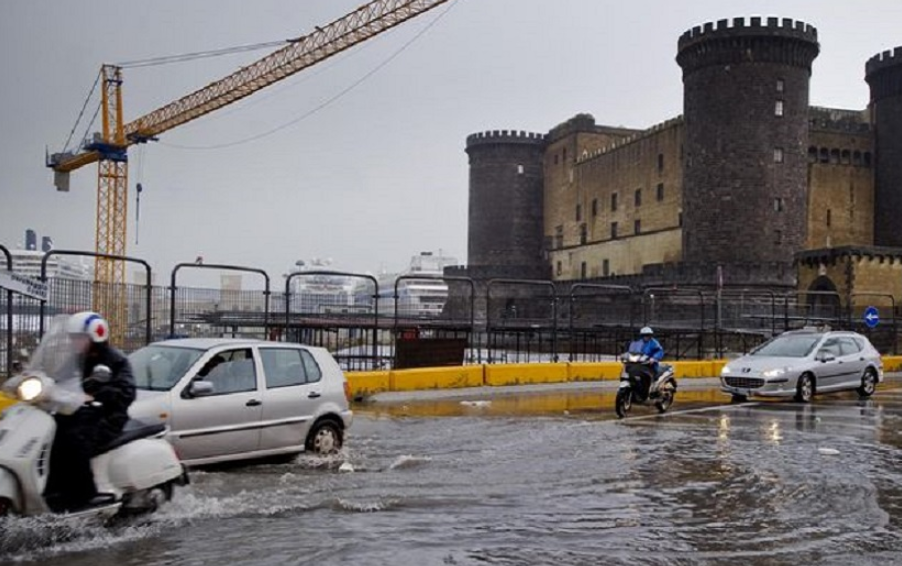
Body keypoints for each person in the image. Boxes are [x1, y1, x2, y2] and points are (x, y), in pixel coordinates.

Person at [45, 311, 136, 513]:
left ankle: (85, 496)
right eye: (72, 338)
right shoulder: (77, 359)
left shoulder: (115, 360)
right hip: (80, 414)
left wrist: (98, 395)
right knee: (49, 433)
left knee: (75, 441)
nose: (74, 342)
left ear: (96, 336)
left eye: (79, 338)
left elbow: (126, 391)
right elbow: (59, 378)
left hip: (107, 417)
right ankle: (51, 491)